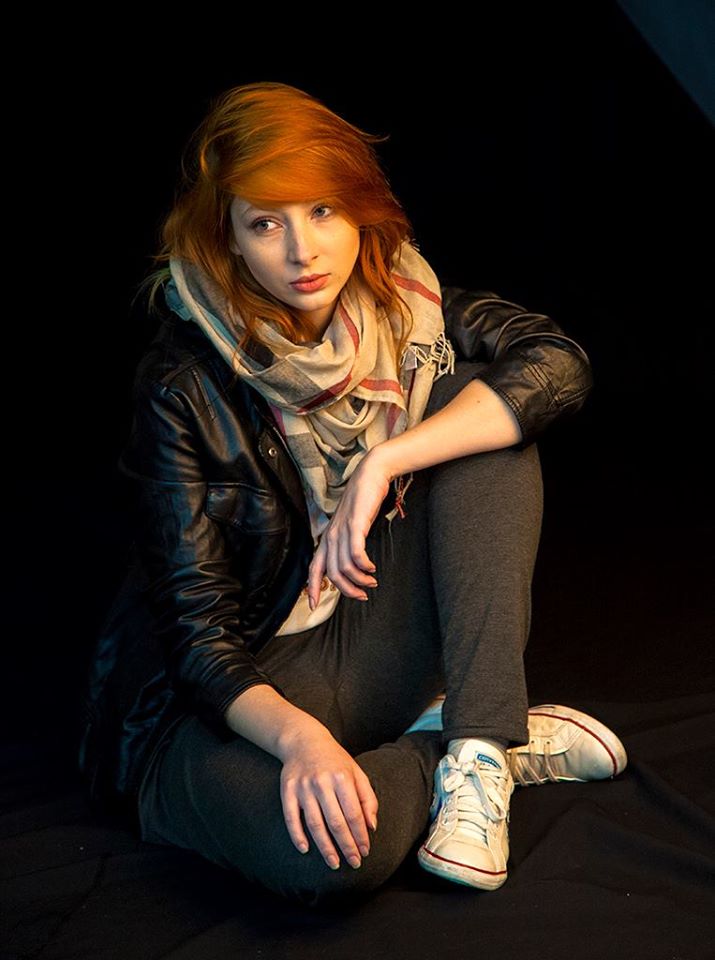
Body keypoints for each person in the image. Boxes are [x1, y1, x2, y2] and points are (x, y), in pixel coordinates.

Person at [78, 81, 627, 907]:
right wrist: (300, 743)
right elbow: (196, 639)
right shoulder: (180, 384)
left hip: (362, 638)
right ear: (229, 240)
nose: (302, 251)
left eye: (322, 210)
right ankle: (473, 743)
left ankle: (478, 745)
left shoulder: (407, 311)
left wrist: (385, 460)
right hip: (234, 695)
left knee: (484, 417)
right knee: (328, 858)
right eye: (266, 223)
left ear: (359, 212)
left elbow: (557, 366)